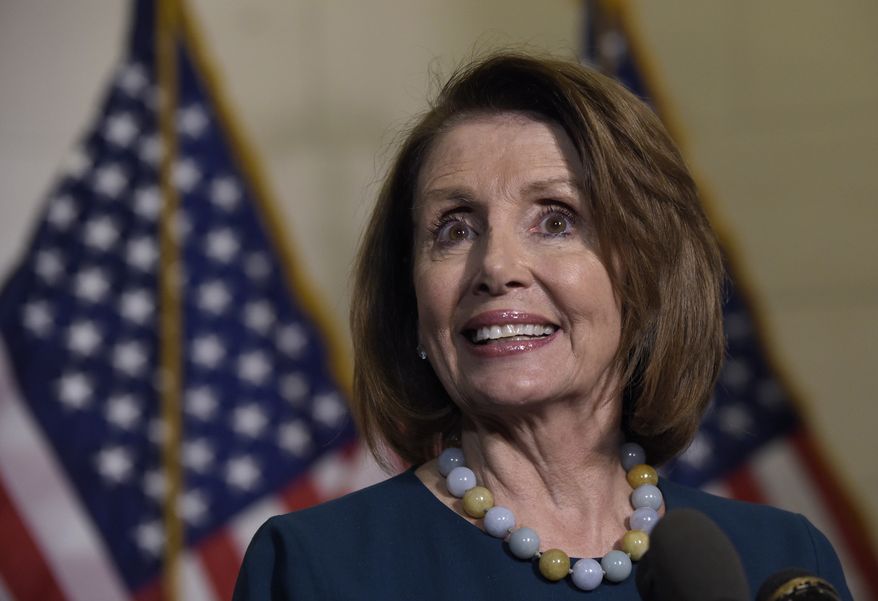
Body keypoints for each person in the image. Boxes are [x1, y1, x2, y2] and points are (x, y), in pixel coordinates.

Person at [232, 53, 851, 600]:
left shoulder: (780, 561)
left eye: (555, 221)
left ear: (647, 275)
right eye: (454, 229)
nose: (497, 266)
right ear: (412, 300)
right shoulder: (318, 568)